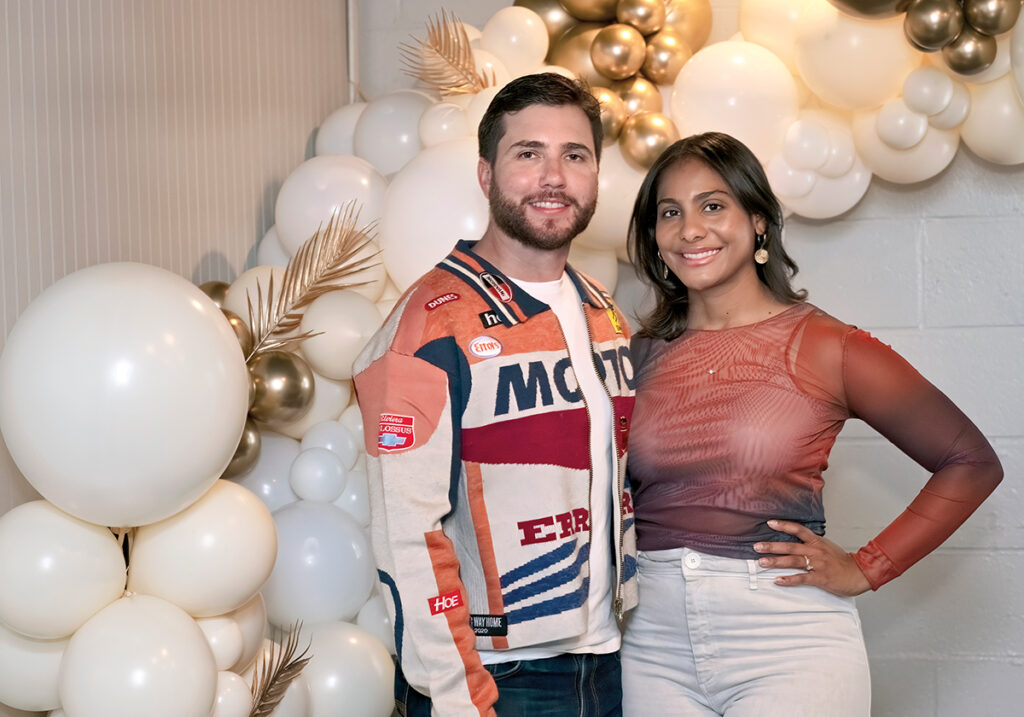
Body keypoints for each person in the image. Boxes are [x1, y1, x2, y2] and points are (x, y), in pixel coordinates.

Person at [619, 132, 1003, 716]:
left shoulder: (827, 345)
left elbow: (972, 463)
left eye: (713, 205)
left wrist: (866, 567)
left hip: (786, 637)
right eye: (670, 212)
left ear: (759, 224)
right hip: (649, 639)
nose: (690, 229)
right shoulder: (638, 356)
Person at [353, 73, 639, 717]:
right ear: (486, 175)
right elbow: (407, 532)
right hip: (499, 678)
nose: (553, 177)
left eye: (575, 155)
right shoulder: (428, 322)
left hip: (605, 663)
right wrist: (458, 693)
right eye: (528, 153)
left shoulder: (603, 310)